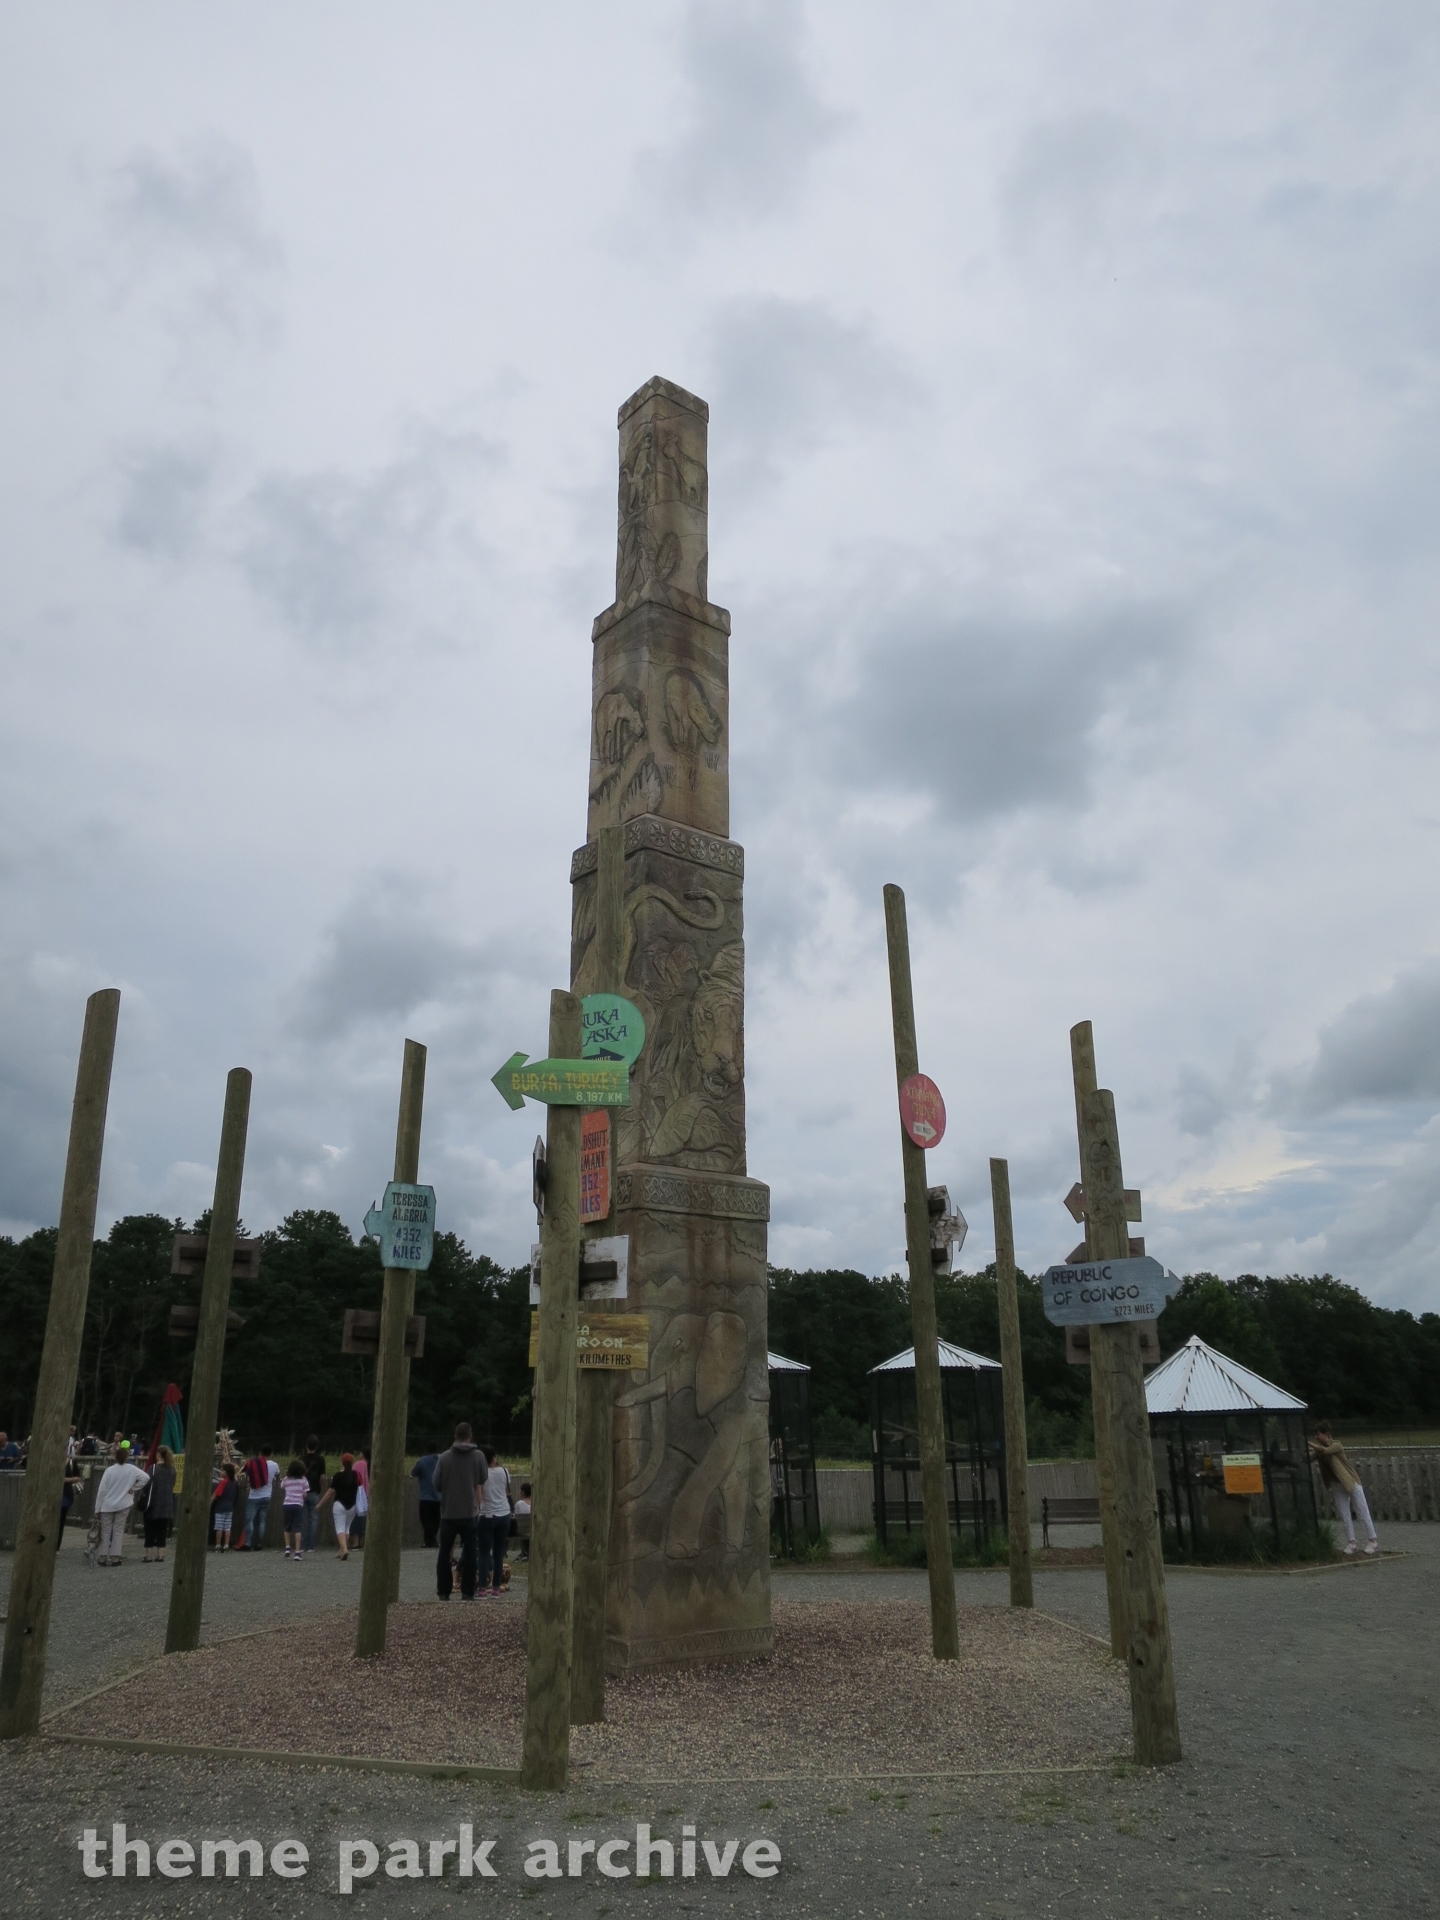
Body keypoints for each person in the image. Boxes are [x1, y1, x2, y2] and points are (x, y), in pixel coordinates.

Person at [433, 1422, 485, 1602]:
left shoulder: (445, 1457)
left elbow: (436, 1483)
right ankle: (467, 1591)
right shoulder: (478, 1456)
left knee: (444, 1552)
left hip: (448, 1512)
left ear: (455, 1436)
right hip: (469, 1512)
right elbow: (483, 1477)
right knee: (470, 1553)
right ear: (470, 1436)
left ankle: (443, 1591)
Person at [1310, 1424, 1379, 1556]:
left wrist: (1308, 1443)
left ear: (1325, 1434)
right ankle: (1351, 1543)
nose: (1316, 1437)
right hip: (1337, 1484)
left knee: (1362, 1511)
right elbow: (1310, 1457)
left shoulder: (1336, 1444)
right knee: (1344, 1513)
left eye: (1318, 1434)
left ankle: (1373, 1541)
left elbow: (1325, 1451)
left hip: (1350, 1482)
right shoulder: (1318, 1450)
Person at [93, 1444, 150, 1565]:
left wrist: (97, 1509)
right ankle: (115, 1556)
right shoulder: (132, 1469)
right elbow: (145, 1477)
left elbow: (102, 1491)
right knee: (118, 1530)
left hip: (107, 1504)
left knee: (105, 1531)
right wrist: (133, 1488)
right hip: (124, 1503)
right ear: (127, 1457)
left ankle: (102, 1556)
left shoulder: (109, 1470)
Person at [477, 1449, 513, 1598]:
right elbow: (505, 1491)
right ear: (494, 1458)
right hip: (504, 1513)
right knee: (499, 1553)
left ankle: (482, 1588)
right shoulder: (504, 1471)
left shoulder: (481, 1474)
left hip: (487, 1514)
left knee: (484, 1553)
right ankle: (496, 1588)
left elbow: (479, 1496)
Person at [322, 1452, 361, 1560]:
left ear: (342, 1462)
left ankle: (344, 1549)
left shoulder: (338, 1476)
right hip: (353, 1505)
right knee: (347, 1527)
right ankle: (341, 1550)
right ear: (352, 1462)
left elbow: (330, 1491)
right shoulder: (356, 1475)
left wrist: (320, 1503)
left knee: (340, 1528)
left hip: (339, 1504)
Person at [143, 1446, 177, 1562]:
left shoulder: (153, 1469)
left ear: (158, 1455)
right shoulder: (172, 1470)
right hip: (167, 1504)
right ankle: (160, 1555)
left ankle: (148, 1555)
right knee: (162, 1530)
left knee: (150, 1530)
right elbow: (173, 1484)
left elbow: (147, 1483)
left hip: (153, 1503)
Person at [243, 1445, 278, 1551]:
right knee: (262, 1521)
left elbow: (246, 1473)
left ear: (260, 1453)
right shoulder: (274, 1465)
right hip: (267, 1496)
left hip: (254, 1496)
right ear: (271, 1453)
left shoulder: (253, 1463)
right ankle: (259, 1544)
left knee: (249, 1521)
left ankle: (248, 1543)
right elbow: (277, 1476)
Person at [300, 1435, 327, 1555]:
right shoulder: (320, 1459)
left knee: (303, 1519)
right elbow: (322, 1476)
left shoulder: (301, 1459)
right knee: (313, 1519)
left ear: (306, 1446)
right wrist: (319, 1486)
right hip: (314, 1490)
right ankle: (311, 1546)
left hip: (302, 1492)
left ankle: (301, 1545)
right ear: (316, 1447)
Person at [412, 1442, 442, 1549]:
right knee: (436, 1519)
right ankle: (430, 1540)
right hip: (439, 1495)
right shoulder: (441, 1459)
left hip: (426, 1496)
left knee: (425, 1519)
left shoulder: (422, 1461)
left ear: (427, 1450)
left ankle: (431, 1541)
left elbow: (413, 1473)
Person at [279, 1459, 310, 1559]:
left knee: (287, 1526)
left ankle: (287, 1547)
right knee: (298, 1528)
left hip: (287, 1504)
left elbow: (282, 1487)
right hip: (298, 1505)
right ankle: (297, 1552)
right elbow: (305, 1494)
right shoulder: (303, 1480)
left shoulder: (286, 1479)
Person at [210, 1461, 240, 1550]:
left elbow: (216, 1494)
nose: (220, 1472)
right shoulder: (235, 1483)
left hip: (220, 1508)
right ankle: (226, 1545)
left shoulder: (223, 1482)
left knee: (219, 1527)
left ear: (227, 1473)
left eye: (222, 1470)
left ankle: (218, 1545)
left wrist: (209, 1503)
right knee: (227, 1527)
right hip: (230, 1508)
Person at [57, 1457, 84, 1548]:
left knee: (61, 1521)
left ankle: (57, 1546)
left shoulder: (72, 1462)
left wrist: (66, 1479)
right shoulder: (51, 1460)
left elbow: (78, 1477)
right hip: (53, 1493)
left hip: (66, 1494)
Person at [351, 1449, 370, 1550]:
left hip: (358, 1494)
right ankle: (363, 1542)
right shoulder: (371, 1464)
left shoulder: (360, 1464)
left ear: (363, 1454)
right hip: (367, 1495)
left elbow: (355, 1476)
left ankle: (355, 1542)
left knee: (356, 1518)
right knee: (364, 1519)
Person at [514, 1481, 532, 1561]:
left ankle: (523, 1553)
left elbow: (516, 1517)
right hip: (532, 1529)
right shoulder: (534, 1503)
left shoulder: (519, 1504)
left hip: (522, 1530)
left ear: (523, 1492)